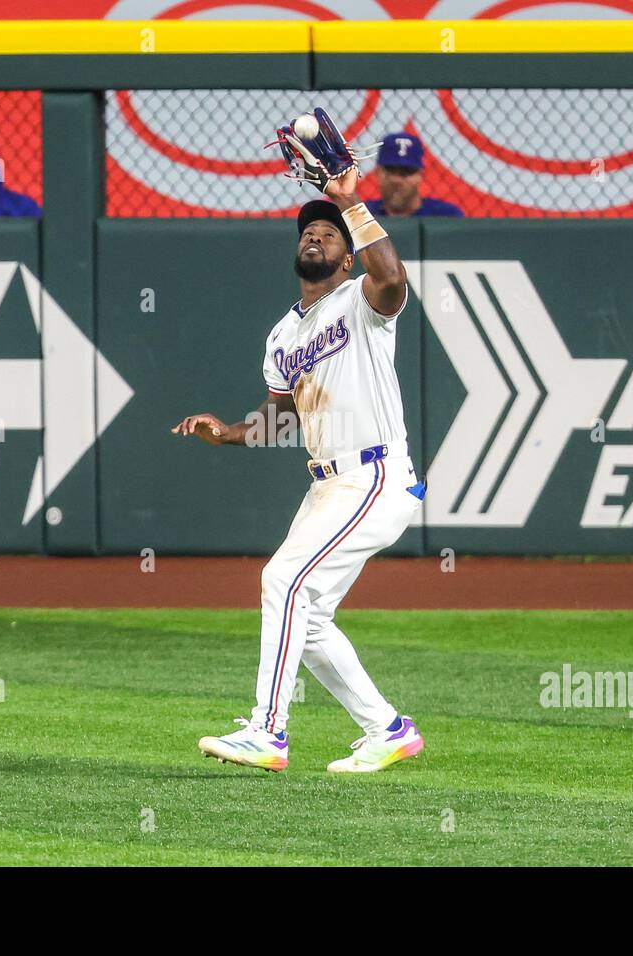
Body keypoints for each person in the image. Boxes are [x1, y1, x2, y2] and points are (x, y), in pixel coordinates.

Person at [172, 157, 426, 775]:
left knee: (281, 581)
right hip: (329, 484)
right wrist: (229, 433)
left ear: (346, 257)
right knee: (306, 614)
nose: (314, 234)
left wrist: (350, 203)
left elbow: (391, 277)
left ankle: (268, 731)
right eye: (308, 230)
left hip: (373, 475)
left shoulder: (360, 302)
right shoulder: (282, 336)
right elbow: (279, 419)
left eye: (329, 232)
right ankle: (388, 729)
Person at [367, 130, 464, 218]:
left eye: (406, 172)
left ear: (421, 175)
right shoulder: (364, 215)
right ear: (377, 172)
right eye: (390, 170)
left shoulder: (445, 215)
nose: (397, 180)